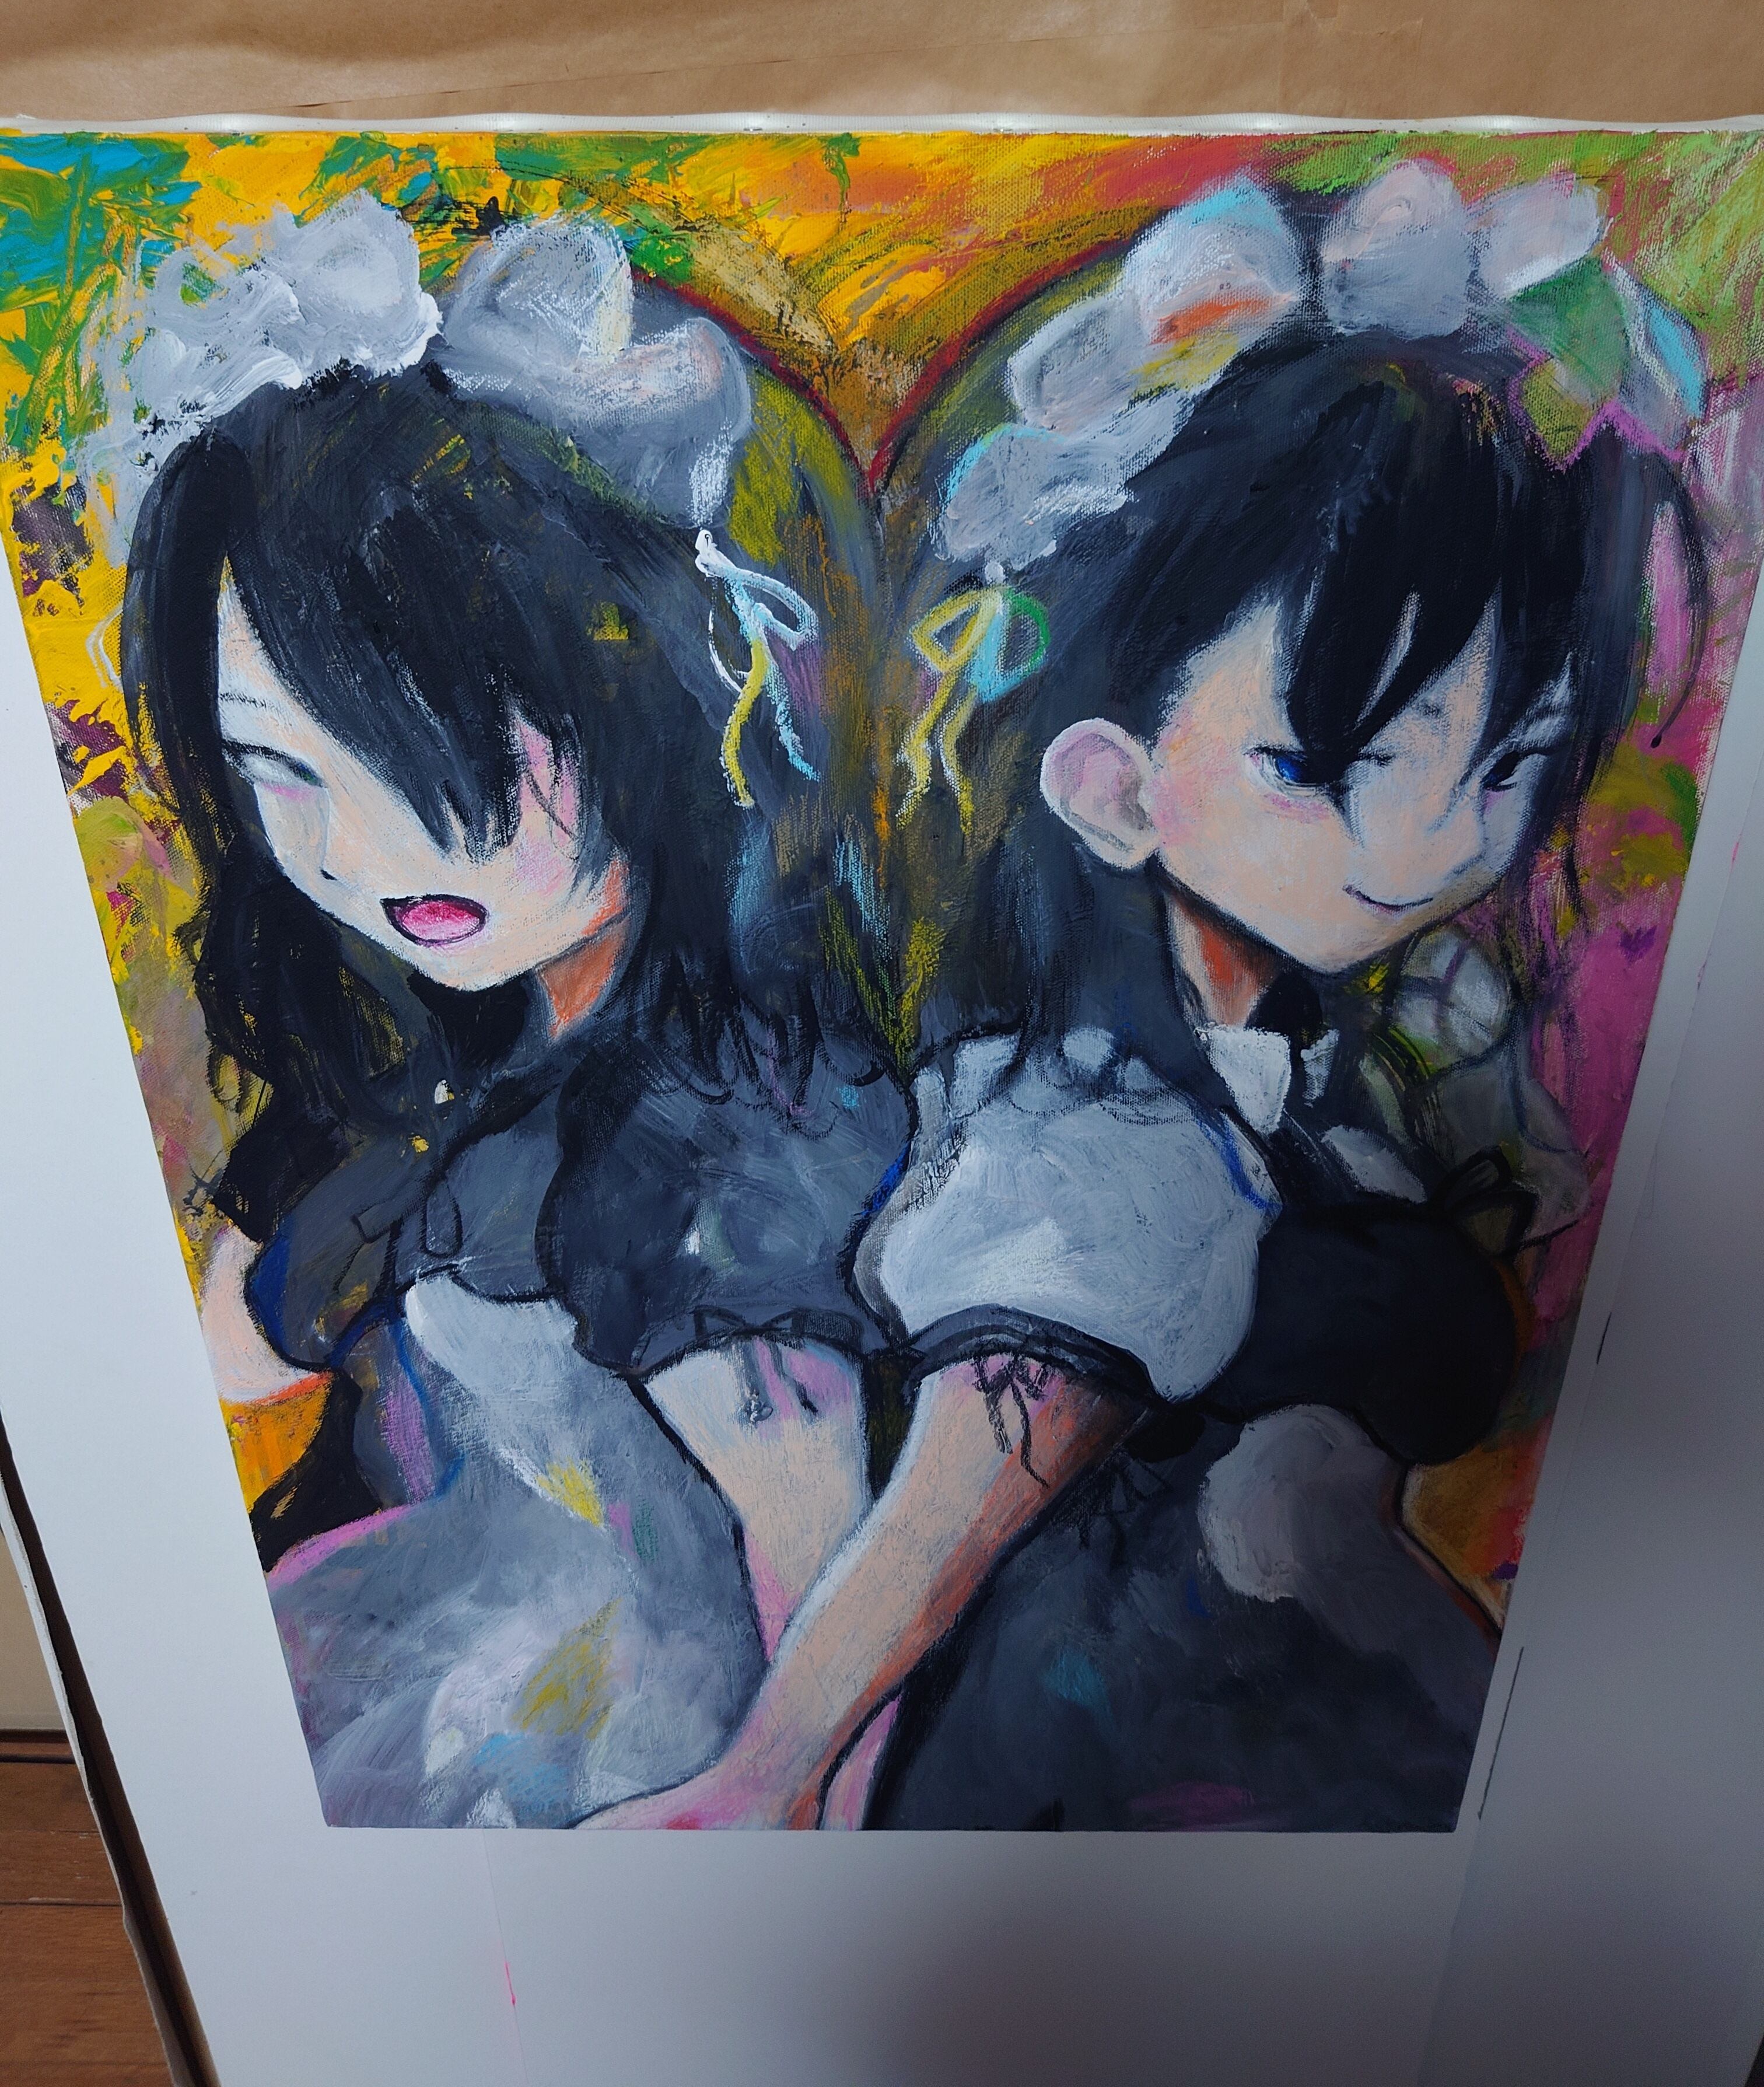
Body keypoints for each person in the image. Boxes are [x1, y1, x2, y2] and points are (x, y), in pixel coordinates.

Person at [588, 163, 1709, 1830]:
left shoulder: (1364, 1046)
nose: (1434, 839)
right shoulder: (1096, 1131)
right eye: (1324, 765)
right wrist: (768, 1776)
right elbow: (965, 1485)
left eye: (1512, 763)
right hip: (1128, 1783)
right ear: (1107, 783)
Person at [108, 197, 907, 1826]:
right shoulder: (451, 1055)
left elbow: (829, 1586)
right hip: (421, 1676)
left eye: (443, 751)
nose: (360, 848)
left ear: (672, 694)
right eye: (278, 766)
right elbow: (223, 1360)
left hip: (628, 1754)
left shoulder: (734, 1127)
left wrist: (782, 1826)